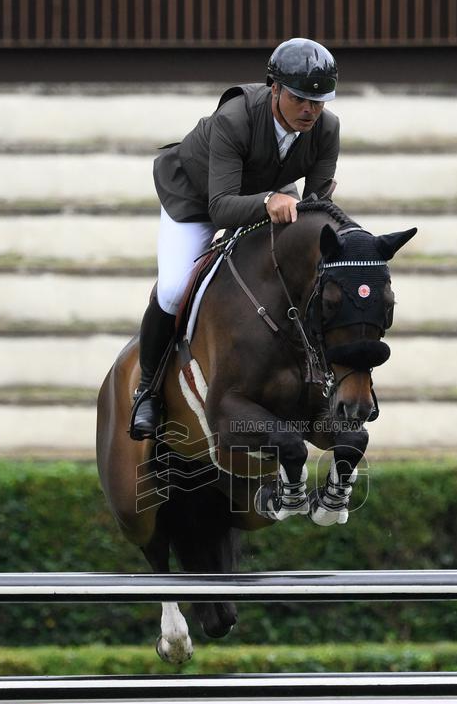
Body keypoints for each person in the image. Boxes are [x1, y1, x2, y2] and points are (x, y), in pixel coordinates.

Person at [130, 37, 340, 440]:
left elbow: (313, 209)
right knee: (174, 290)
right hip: (195, 198)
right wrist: (268, 200)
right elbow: (222, 206)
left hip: (267, 196)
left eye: (319, 101)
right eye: (300, 99)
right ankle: (147, 392)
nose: (310, 110)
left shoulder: (327, 128)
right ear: (274, 88)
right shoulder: (235, 118)